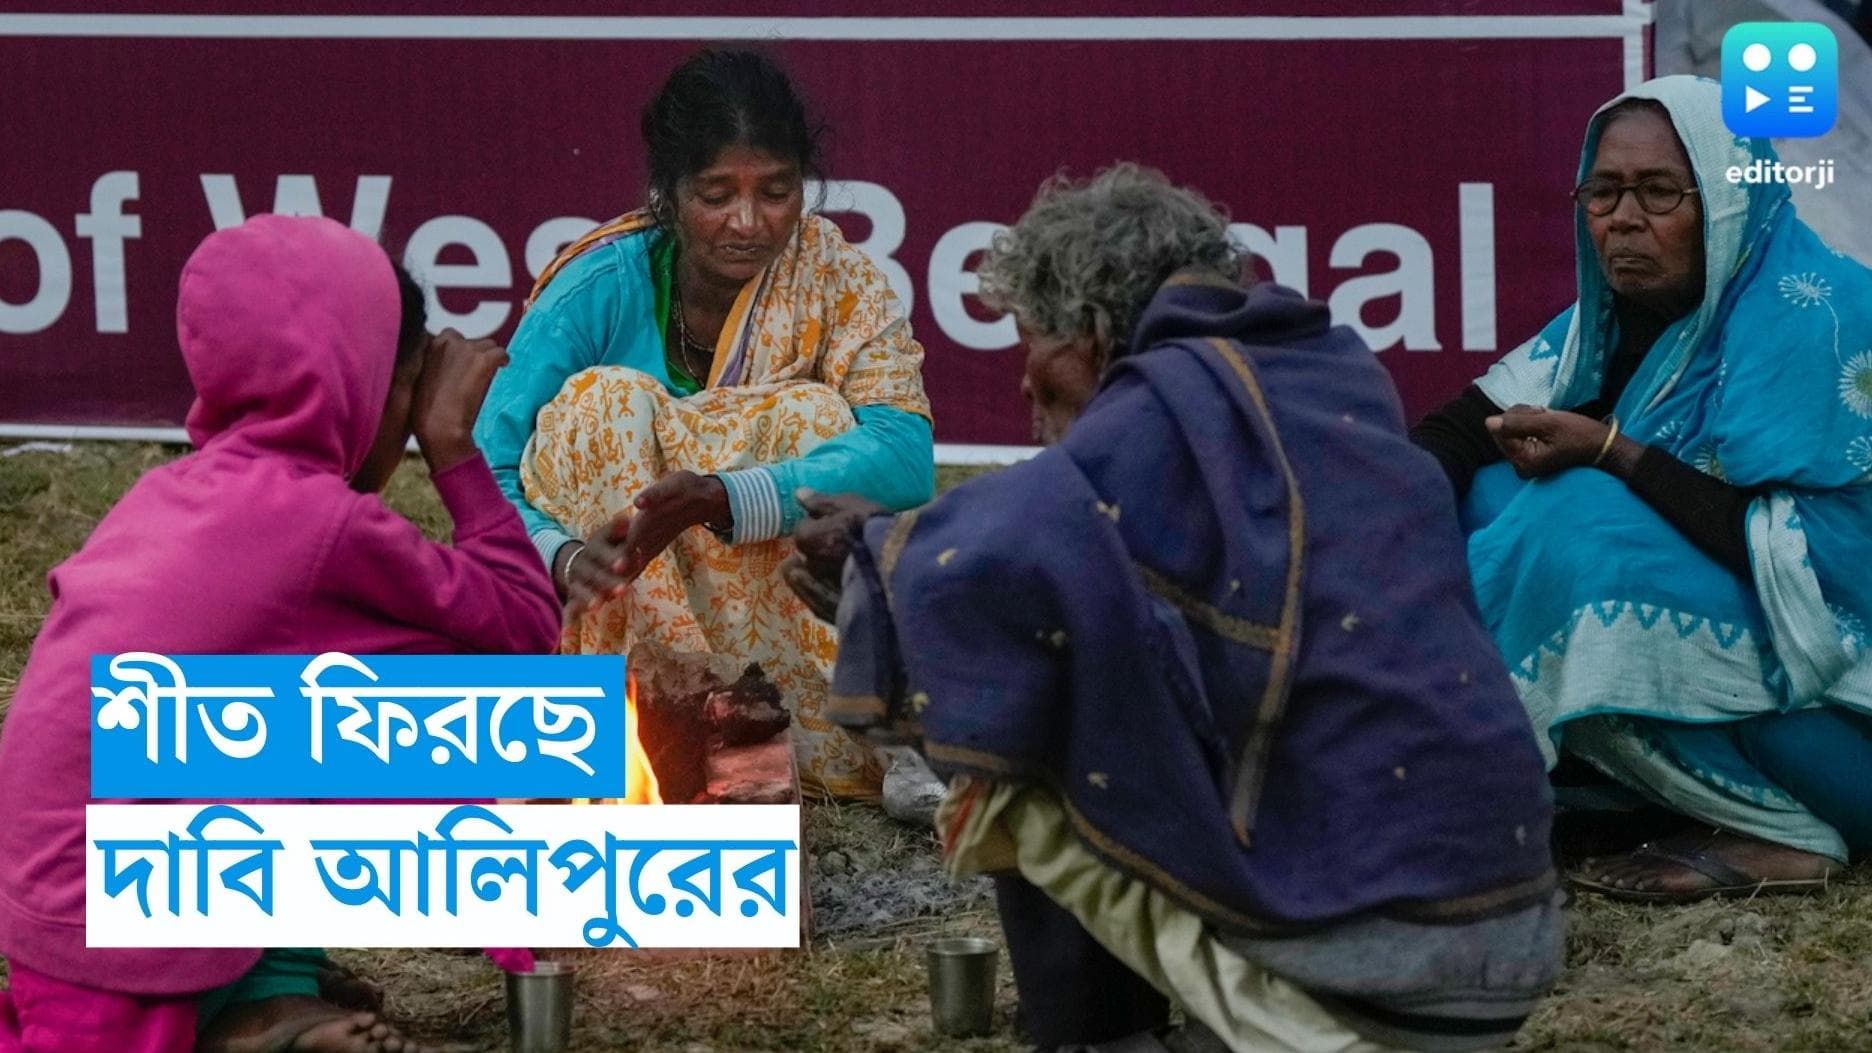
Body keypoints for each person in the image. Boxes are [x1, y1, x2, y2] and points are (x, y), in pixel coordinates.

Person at [787, 165, 1564, 1053]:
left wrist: (873, 557)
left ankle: (1095, 1038)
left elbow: (993, 563)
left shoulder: (1165, 403)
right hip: (1508, 933)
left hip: (1373, 978)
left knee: (1020, 713)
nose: (1025, 383)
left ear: (1090, 334)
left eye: (1032, 344)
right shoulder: (1329, 374)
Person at [0, 214, 561, 1052]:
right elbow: (524, 627)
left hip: (62, 928)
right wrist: (453, 447)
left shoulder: (170, 495)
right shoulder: (318, 524)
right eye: (408, 392)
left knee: (298, 724)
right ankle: (256, 1006)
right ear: (356, 385)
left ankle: (265, 1004)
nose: (409, 420)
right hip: (128, 944)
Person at [1412, 75, 1872, 901]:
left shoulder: (1822, 319)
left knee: (1572, 517)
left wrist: (1613, 451)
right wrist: (1356, 530)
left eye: (1659, 192)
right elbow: (1455, 432)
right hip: (1757, 683)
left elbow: (1824, 570)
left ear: (1727, 201)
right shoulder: (1618, 321)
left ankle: (1781, 829)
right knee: (1485, 496)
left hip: (1841, 734)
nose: (1623, 218)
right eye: (1604, 191)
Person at [474, 48, 934, 801]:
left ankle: (792, 725)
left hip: (769, 603)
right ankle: (660, 722)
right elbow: (485, 471)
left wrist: (721, 496)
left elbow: (904, 454)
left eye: (776, 192)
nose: (748, 223)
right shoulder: (596, 287)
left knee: (815, 414)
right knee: (604, 403)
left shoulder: (841, 283)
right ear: (668, 194)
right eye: (716, 195)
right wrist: (562, 557)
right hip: (608, 598)